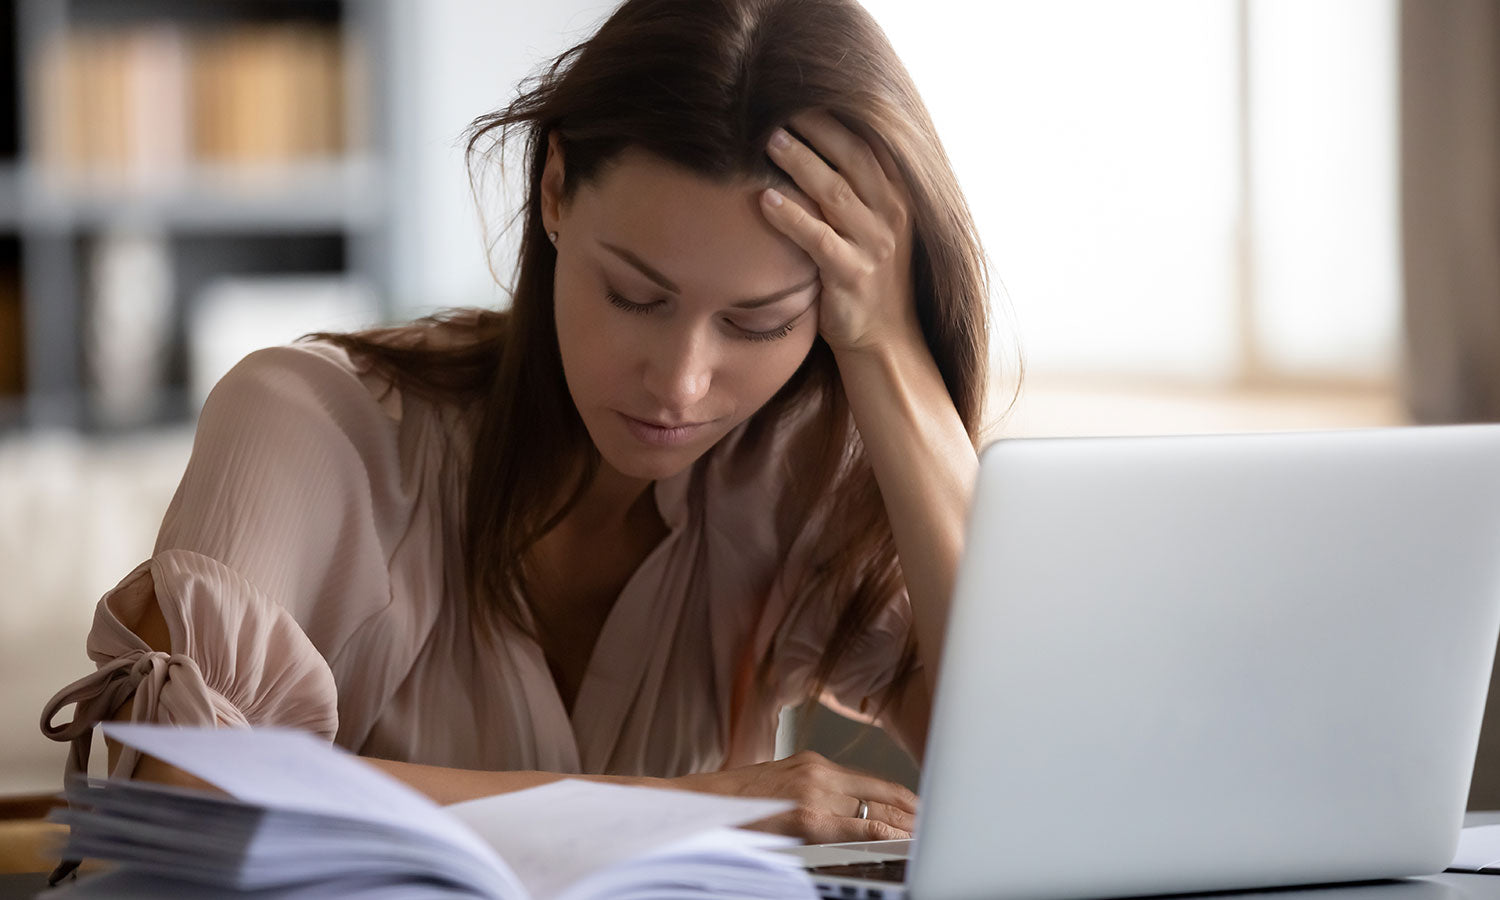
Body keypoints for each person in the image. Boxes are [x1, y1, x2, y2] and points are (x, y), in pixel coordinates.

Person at [41, 0, 994, 847]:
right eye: (633, 296)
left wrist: (892, 350)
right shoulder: (307, 426)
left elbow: (1017, 761)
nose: (681, 382)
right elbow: (184, 796)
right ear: (554, 190)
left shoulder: (786, 480)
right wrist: (696, 809)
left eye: (759, 323)